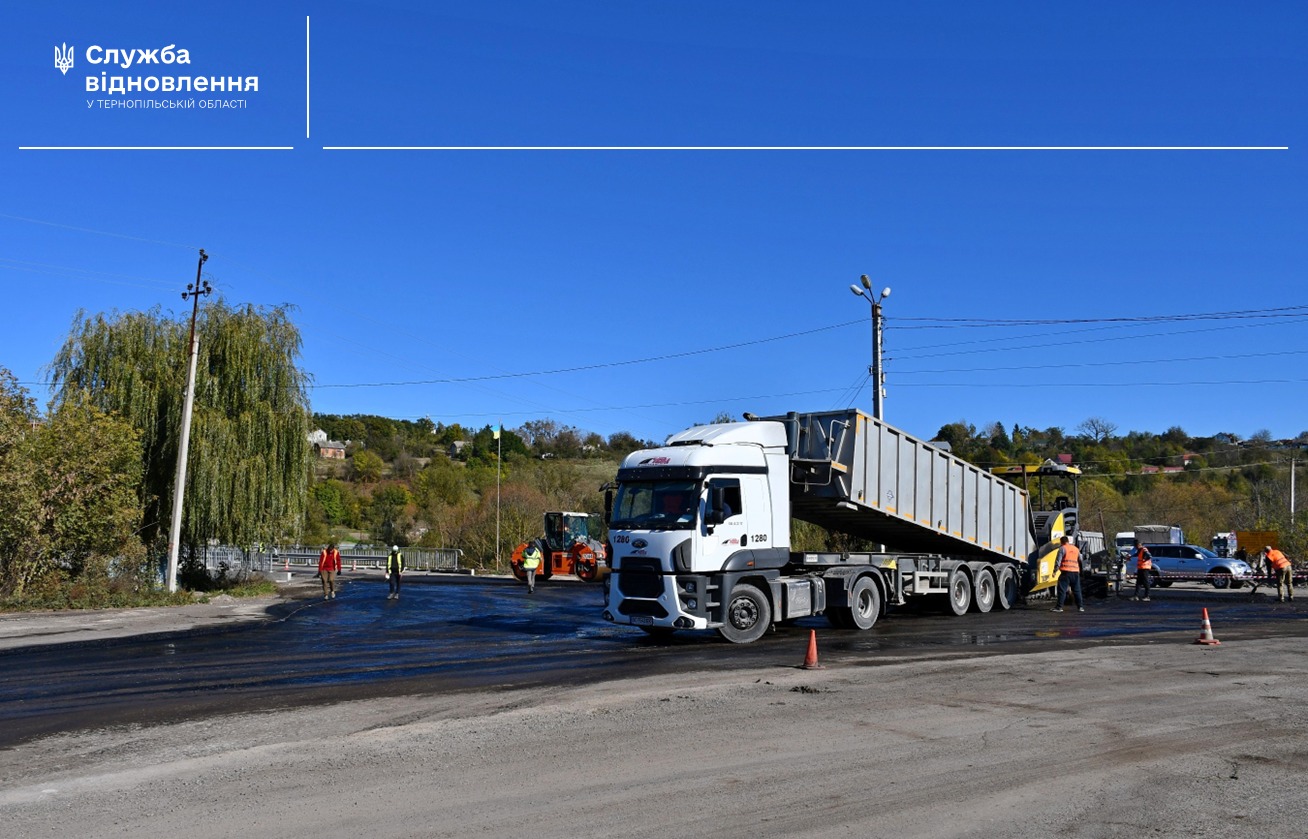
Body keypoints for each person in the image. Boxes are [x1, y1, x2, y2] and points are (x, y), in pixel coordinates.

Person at [1051, 536, 1084, 613]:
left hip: (1066, 572)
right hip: (1075, 572)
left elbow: (1058, 561)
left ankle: (1059, 607)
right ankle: (1080, 607)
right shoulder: (1076, 549)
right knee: (1077, 590)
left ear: (1061, 542)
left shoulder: (1062, 548)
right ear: (1068, 541)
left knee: (1062, 590)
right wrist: (1081, 571)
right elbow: (1080, 560)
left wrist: (1054, 571)